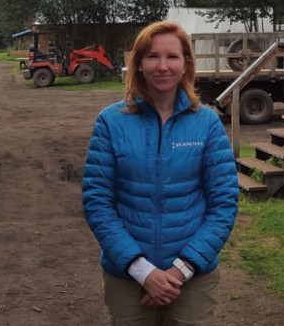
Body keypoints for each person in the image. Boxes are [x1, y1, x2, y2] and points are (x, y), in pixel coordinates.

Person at [82, 21, 239, 325]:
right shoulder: (110, 122)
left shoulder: (206, 123)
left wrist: (179, 271)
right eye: (153, 56)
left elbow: (223, 205)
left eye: (172, 57)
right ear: (138, 64)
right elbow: (97, 203)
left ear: (186, 64)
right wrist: (143, 271)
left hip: (192, 278)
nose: (162, 66)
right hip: (128, 278)